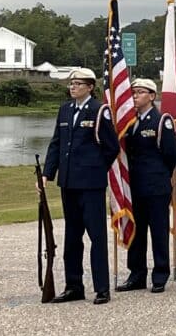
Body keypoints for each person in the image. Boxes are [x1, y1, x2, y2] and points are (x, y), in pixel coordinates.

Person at [40, 68, 120, 304]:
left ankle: (102, 287)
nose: (72, 87)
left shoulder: (99, 110)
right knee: (72, 237)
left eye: (78, 83)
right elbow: (57, 143)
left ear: (90, 87)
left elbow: (112, 147)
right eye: (71, 83)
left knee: (96, 236)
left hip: (91, 184)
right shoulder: (65, 109)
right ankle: (74, 286)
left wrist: (95, 168)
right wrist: (47, 173)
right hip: (69, 182)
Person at [118, 78, 176, 294]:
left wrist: (160, 176)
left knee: (158, 232)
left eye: (140, 92)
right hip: (134, 186)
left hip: (155, 185)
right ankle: (137, 275)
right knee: (137, 231)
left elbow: (171, 154)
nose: (135, 96)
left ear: (152, 96)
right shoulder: (128, 122)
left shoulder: (162, 121)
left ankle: (160, 275)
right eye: (133, 92)